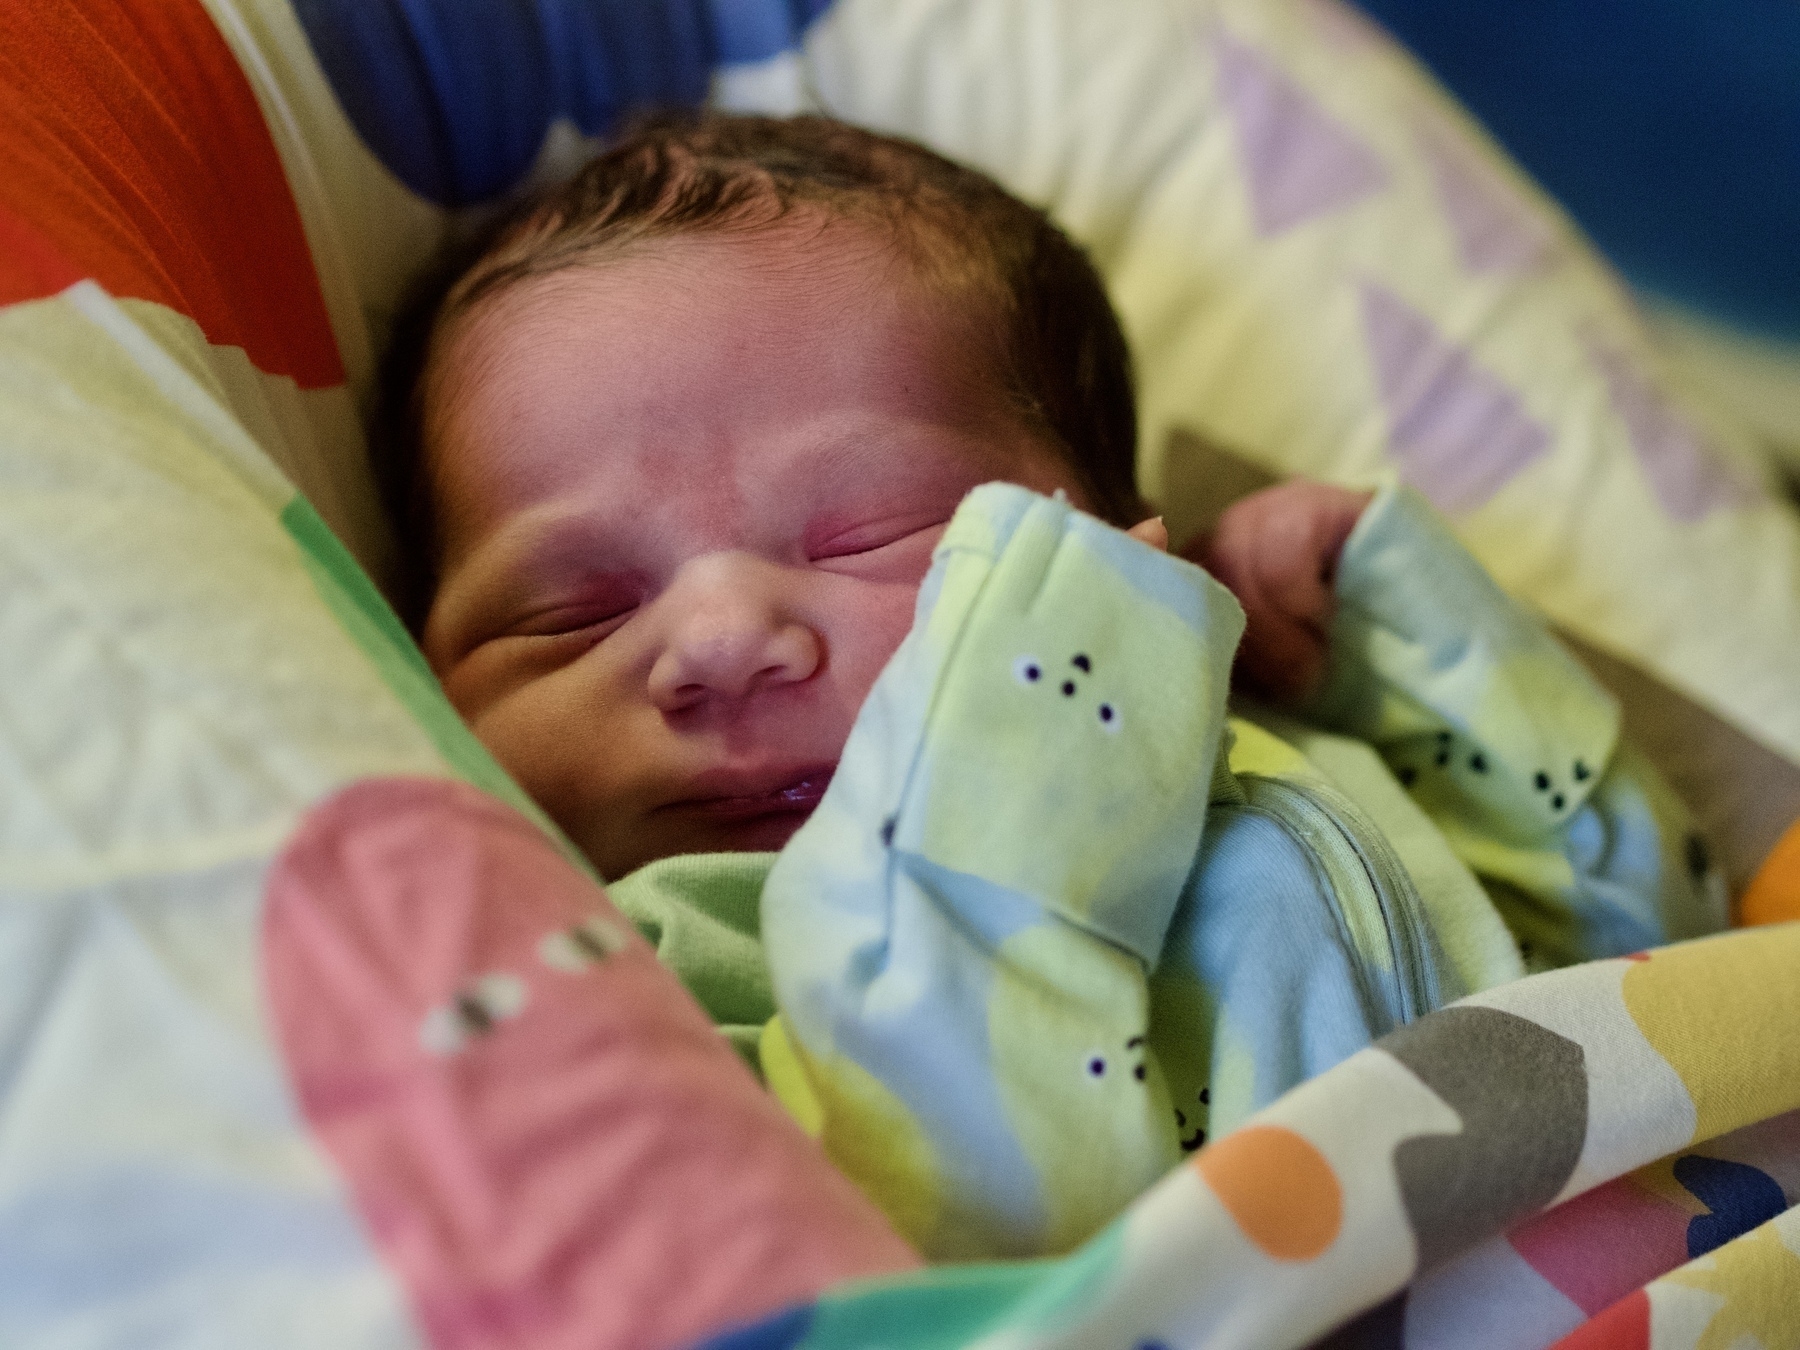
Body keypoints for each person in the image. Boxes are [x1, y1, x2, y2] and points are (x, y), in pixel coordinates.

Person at [384, 113, 1724, 1260]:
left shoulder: (1263, 743)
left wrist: (1390, 653)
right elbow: (978, 1214)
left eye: (870, 531)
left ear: (1115, 539)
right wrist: (1014, 769)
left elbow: (1652, 914)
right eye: (572, 612)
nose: (722, 638)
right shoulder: (664, 976)